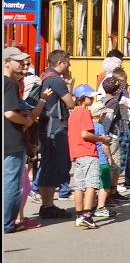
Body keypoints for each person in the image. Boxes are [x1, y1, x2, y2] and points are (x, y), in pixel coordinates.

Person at [4, 47, 49, 234]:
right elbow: (9, 113)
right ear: (6, 62)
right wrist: (27, 121)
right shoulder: (10, 84)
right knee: (12, 184)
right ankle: (9, 222)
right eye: (18, 61)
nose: (22, 64)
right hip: (11, 139)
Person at [36, 50, 76, 221]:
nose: (69, 65)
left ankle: (46, 204)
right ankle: (48, 205)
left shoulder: (45, 76)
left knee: (47, 165)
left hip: (46, 127)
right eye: (67, 62)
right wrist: (70, 85)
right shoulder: (56, 80)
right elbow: (71, 103)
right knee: (54, 166)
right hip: (55, 128)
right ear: (60, 63)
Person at [66, 83, 105, 229]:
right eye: (90, 97)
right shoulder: (85, 113)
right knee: (91, 184)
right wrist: (101, 138)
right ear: (83, 98)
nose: (92, 99)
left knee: (79, 185)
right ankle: (88, 215)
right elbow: (85, 133)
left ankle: (79, 215)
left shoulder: (73, 114)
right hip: (88, 151)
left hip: (76, 153)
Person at [90, 100, 114, 219]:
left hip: (92, 158)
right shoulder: (100, 127)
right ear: (100, 115)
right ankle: (100, 207)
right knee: (104, 183)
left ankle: (91, 205)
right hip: (102, 159)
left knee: (92, 183)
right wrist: (109, 157)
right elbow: (104, 145)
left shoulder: (88, 126)